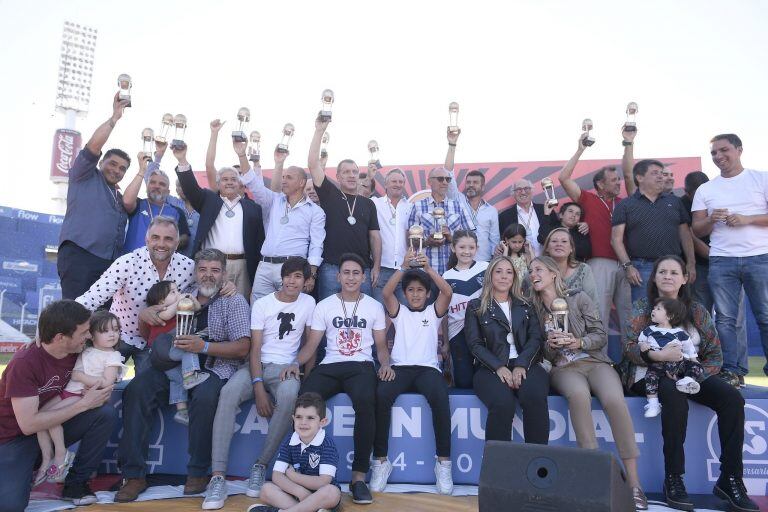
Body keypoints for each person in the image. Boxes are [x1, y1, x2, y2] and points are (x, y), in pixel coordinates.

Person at [620, 255, 758, 512]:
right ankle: (674, 478)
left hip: (689, 373)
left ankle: (730, 479)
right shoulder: (642, 307)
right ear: (654, 277)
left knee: (732, 399)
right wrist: (658, 356)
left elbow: (715, 355)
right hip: (648, 373)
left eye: (674, 272)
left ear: (685, 278)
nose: (668, 276)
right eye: (662, 272)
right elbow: (629, 347)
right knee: (672, 393)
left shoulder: (696, 310)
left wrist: (692, 377)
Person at [115, 249, 251, 503]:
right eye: (203, 269)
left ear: (224, 273)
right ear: (195, 271)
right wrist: (145, 315)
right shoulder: (177, 294)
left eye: (215, 270)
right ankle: (134, 475)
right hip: (171, 367)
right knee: (137, 388)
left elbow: (243, 347)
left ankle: (198, 472)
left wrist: (204, 347)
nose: (208, 275)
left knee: (206, 393)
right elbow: (149, 330)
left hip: (212, 365)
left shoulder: (234, 300)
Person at [529, 255, 647, 509]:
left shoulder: (579, 297)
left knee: (615, 401)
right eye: (530, 271)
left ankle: (635, 483)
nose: (533, 274)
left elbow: (600, 335)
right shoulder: (532, 309)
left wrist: (578, 342)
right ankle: (595, 477)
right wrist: (550, 347)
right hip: (563, 367)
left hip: (594, 360)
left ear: (552, 273)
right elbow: (540, 352)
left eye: (538, 269)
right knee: (579, 396)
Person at [203, 257, 315, 510]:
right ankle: (218, 476)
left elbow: (310, 344)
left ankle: (260, 465)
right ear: (281, 278)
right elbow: (254, 350)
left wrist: (303, 371)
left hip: (285, 368)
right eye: (288, 276)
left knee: (289, 396)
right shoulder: (264, 303)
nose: (292, 281)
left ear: (306, 281)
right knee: (229, 393)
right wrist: (258, 387)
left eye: (298, 277)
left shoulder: (309, 303)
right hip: (257, 365)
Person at [283, 253, 391, 505]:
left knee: (366, 401)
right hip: (330, 364)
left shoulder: (374, 306)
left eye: (356, 273)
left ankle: (358, 478)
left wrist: (385, 364)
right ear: (338, 276)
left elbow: (381, 346)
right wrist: (295, 363)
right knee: (305, 401)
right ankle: (301, 474)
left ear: (363, 278)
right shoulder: (325, 305)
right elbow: (312, 345)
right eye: (346, 273)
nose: (351, 277)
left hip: (361, 365)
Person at [0, 300, 116, 510]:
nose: (89, 336)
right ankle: (28, 468)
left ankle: (75, 484)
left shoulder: (79, 351)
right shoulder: (25, 362)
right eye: (83, 333)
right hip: (12, 439)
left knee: (104, 414)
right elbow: (28, 425)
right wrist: (82, 404)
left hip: (49, 430)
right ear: (60, 338)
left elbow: (110, 343)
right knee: (10, 506)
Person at [370, 250, 454, 495]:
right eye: (410, 290)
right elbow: (386, 292)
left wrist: (428, 269)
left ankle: (444, 464)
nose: (415, 294)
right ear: (404, 294)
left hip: (428, 369)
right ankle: (381, 462)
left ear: (428, 294)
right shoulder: (400, 312)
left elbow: (447, 292)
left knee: (440, 398)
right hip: (400, 369)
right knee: (382, 395)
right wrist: (404, 267)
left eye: (420, 290)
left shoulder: (433, 312)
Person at [692, 133, 768, 384]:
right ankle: (732, 372)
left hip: (760, 257)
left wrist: (748, 219)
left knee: (765, 315)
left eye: (724, 150)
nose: (718, 156)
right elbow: (697, 230)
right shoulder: (706, 189)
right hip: (722, 260)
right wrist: (711, 219)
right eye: (714, 153)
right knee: (724, 320)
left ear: (739, 149)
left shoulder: (761, 178)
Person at [76, 217, 196, 371]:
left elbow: (207, 284)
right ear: (146, 240)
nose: (161, 244)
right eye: (155, 238)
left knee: (144, 391)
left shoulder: (188, 267)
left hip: (155, 341)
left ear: (177, 243)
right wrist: (56, 323)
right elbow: (92, 297)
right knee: (97, 380)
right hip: (118, 336)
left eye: (168, 239)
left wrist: (227, 285)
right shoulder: (128, 262)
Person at [557, 127, 637, 347]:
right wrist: (580, 149)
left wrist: (628, 143)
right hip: (599, 264)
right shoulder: (588, 200)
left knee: (630, 317)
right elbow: (563, 177)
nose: (618, 183)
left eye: (618, 179)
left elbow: (630, 174)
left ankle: (631, 366)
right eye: (613, 180)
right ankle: (597, 361)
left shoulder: (624, 203)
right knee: (598, 314)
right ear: (600, 184)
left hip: (627, 265)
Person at [463, 256, 550, 445]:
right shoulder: (476, 307)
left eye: (509, 272)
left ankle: (537, 464)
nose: (504, 276)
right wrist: (498, 367)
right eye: (499, 271)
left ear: (515, 277)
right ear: (490, 276)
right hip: (489, 369)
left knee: (534, 398)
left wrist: (521, 365)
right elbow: (474, 344)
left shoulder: (526, 305)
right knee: (503, 404)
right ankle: (498, 469)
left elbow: (536, 338)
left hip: (526, 364)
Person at [34, 310, 124, 486]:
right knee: (40, 416)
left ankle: (61, 453)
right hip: (69, 391)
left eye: (115, 329)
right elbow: (74, 372)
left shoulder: (113, 356)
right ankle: (47, 458)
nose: (112, 334)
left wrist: (81, 377)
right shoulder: (85, 349)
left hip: (79, 394)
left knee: (51, 417)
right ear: (91, 334)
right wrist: (36, 340)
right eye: (105, 331)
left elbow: (106, 382)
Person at [58, 93, 131, 299]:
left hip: (107, 264)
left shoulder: (119, 196)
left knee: (100, 322)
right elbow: (93, 146)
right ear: (101, 162)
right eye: (112, 164)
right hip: (79, 255)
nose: (116, 170)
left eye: (122, 169)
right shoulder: (84, 175)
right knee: (74, 315)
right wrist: (114, 118)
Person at [175, 141, 265, 300]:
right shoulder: (209, 201)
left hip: (242, 265)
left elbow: (259, 241)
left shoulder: (253, 208)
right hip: (212, 264)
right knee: (209, 304)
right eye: (224, 179)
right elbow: (190, 188)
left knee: (240, 305)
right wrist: (182, 161)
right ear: (218, 184)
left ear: (240, 184)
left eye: (233, 179)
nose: (229, 182)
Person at [308, 117, 382, 299]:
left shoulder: (368, 203)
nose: (351, 175)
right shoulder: (329, 194)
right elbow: (313, 165)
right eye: (346, 172)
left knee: (363, 319)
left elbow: (375, 236)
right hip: (332, 269)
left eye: (355, 172)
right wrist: (319, 131)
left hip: (362, 270)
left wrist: (377, 267)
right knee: (328, 318)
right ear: (338, 176)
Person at [240, 146, 325, 302]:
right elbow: (253, 183)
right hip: (265, 266)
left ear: (301, 182)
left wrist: (311, 274)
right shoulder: (273, 200)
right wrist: (241, 155)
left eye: (289, 177)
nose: (284, 180)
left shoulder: (315, 211)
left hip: (293, 269)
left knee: (287, 313)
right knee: (258, 310)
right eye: (284, 176)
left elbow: (316, 245)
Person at [611, 158, 695, 303]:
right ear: (639, 177)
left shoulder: (675, 202)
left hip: (673, 265)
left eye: (662, 173)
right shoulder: (625, 205)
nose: (661, 176)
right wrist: (628, 267)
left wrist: (691, 264)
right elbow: (616, 240)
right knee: (642, 314)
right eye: (655, 173)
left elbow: (685, 234)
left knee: (675, 313)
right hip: (641, 268)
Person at [246, 392, 342, 512]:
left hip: (320, 496)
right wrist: (300, 492)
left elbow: (323, 481)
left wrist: (294, 476)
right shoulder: (290, 441)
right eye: (299, 417)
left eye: (310, 418)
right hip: (295, 493)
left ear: (322, 422)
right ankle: (306, 510)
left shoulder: (327, 444)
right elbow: (277, 475)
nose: (303, 422)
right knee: (266, 490)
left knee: (332, 492)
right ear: (293, 419)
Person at [143, 281, 207, 426]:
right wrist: (179, 300)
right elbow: (166, 315)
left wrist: (191, 297)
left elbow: (197, 308)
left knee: (177, 381)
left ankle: (181, 411)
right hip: (162, 349)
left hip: (166, 359)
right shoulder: (160, 311)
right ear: (161, 301)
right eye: (173, 292)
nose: (178, 293)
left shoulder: (180, 306)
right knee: (188, 348)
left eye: (177, 290)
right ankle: (191, 375)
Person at [639, 298, 705, 418]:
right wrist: (643, 345)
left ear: (669, 316)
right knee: (650, 377)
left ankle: (688, 380)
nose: (653, 310)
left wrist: (694, 361)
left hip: (678, 364)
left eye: (658, 309)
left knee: (696, 366)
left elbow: (690, 349)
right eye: (654, 308)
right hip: (657, 364)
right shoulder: (649, 330)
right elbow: (641, 341)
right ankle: (653, 404)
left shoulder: (680, 333)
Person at [443, 230, 489, 388]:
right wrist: (445, 342)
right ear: (453, 248)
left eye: (471, 247)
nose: (467, 251)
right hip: (457, 332)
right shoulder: (446, 276)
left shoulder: (486, 268)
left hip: (484, 330)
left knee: (485, 375)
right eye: (462, 247)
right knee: (464, 380)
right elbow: (444, 313)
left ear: (477, 248)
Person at [445, 128, 499, 261]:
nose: (470, 185)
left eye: (475, 182)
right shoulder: (458, 200)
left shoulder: (491, 211)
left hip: (484, 261)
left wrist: (493, 263)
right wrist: (452, 145)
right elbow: (447, 172)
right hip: (460, 260)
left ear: (483, 186)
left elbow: (494, 239)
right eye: (468, 182)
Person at [408, 167, 473, 275]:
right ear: (429, 181)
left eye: (448, 179)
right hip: (426, 272)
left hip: (454, 272)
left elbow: (471, 238)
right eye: (440, 179)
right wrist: (427, 242)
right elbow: (410, 240)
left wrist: (451, 237)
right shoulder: (418, 206)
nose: (444, 182)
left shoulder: (458, 206)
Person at [122, 157, 190, 253]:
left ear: (168, 191)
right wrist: (142, 171)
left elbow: (184, 238)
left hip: (161, 263)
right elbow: (127, 202)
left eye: (162, 184)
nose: (157, 186)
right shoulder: (138, 204)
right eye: (152, 182)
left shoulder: (177, 212)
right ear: (147, 187)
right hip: (132, 262)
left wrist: (165, 242)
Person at [371, 168, 412, 303]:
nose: (398, 184)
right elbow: (358, 194)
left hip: (404, 269)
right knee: (378, 315)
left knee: (404, 315)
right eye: (394, 181)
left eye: (401, 181)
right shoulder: (374, 203)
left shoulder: (411, 207)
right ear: (385, 184)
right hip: (381, 269)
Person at [497, 179, 559, 256]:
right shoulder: (504, 216)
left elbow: (556, 235)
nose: (523, 192)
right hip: (519, 264)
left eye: (526, 188)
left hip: (546, 260)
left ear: (532, 191)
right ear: (513, 194)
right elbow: (503, 241)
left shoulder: (546, 210)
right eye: (519, 189)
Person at [541, 227, 598, 305]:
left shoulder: (583, 270)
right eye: (554, 241)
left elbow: (593, 303)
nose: (559, 244)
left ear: (571, 248)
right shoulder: (536, 271)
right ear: (547, 248)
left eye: (564, 241)